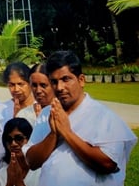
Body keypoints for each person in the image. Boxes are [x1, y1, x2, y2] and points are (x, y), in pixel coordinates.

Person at [27, 50, 137, 185]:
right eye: (54, 82)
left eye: (66, 79)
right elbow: (31, 161)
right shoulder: (47, 114)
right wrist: (53, 134)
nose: (59, 87)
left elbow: (108, 164)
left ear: (81, 80)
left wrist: (67, 133)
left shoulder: (103, 116)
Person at [0, 118, 38, 186]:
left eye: (19, 138)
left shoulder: (40, 170)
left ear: (29, 139)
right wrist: (9, 182)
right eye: (9, 139)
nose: (13, 143)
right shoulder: (1, 174)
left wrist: (18, 181)